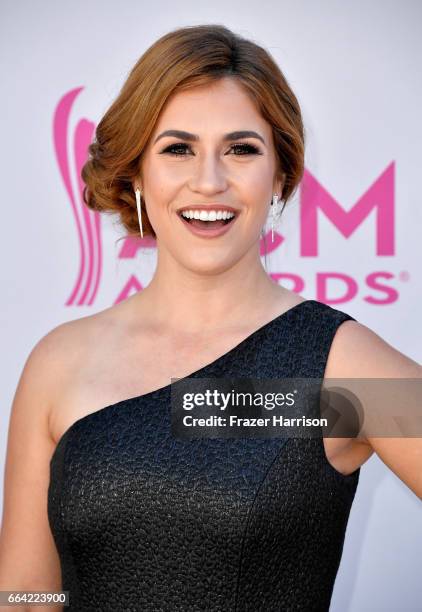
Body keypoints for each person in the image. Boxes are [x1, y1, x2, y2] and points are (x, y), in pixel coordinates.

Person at [0, 23, 421, 612]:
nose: (210, 181)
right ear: (138, 173)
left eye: (241, 149)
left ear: (279, 176)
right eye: (178, 148)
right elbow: (24, 594)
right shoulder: (59, 361)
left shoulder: (334, 367)